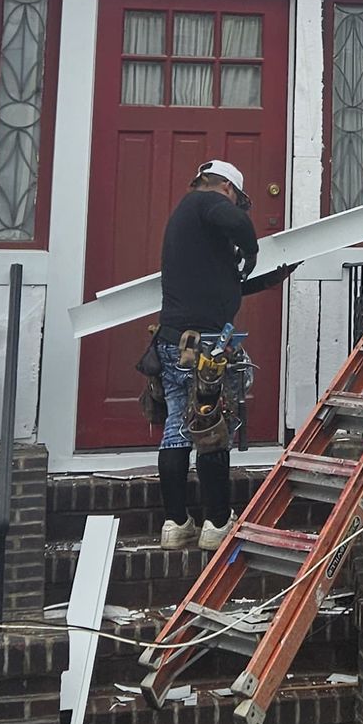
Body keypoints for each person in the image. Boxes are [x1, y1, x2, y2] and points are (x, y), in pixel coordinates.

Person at [137, 160, 263, 552]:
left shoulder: (185, 218)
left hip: (174, 341)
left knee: (177, 426)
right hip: (205, 344)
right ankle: (217, 522)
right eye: (236, 198)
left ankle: (176, 524)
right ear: (226, 187)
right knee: (211, 429)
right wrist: (252, 246)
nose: (236, 207)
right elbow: (236, 224)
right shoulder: (207, 202)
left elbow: (216, 271)